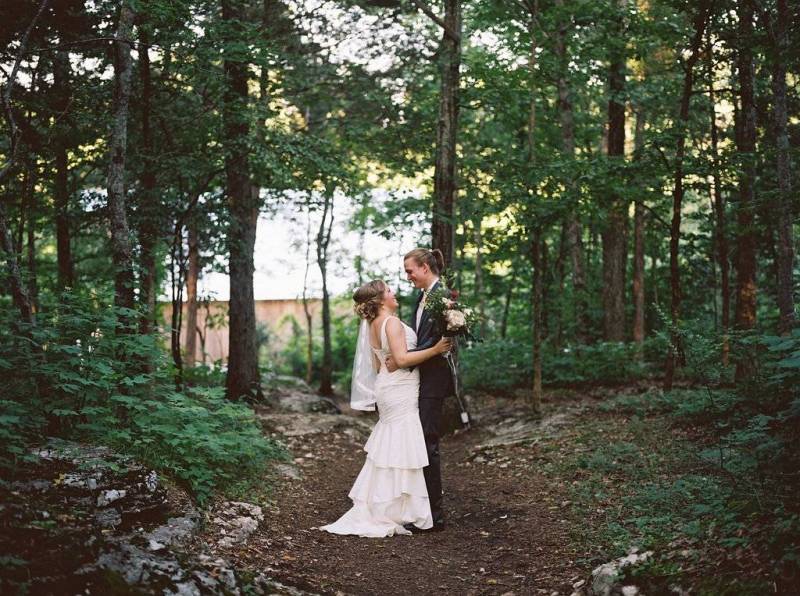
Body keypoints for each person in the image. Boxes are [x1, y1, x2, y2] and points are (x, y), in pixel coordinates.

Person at [319, 280, 451, 537]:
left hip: (387, 386)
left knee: (392, 442)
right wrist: (436, 349)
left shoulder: (372, 325)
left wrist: (396, 367)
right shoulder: (390, 322)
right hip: (400, 387)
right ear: (380, 299)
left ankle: (385, 501)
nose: (394, 293)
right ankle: (399, 506)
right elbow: (401, 359)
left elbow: (379, 365)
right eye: (389, 291)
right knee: (402, 440)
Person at [387, 248, 455, 533]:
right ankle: (418, 507)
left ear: (425, 267)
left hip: (433, 380)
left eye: (410, 270)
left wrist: (404, 360)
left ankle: (434, 516)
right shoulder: (422, 297)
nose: (407, 276)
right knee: (418, 442)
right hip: (418, 377)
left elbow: (440, 344)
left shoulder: (444, 297)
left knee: (427, 443)